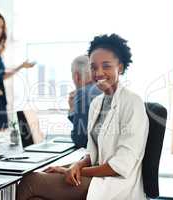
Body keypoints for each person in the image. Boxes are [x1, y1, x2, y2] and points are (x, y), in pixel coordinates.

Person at [16, 34, 149, 200]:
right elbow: (93, 152)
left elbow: (121, 165)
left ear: (120, 67)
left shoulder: (132, 102)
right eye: (93, 67)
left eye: (106, 66)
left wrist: (73, 170)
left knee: (31, 182)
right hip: (96, 178)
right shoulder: (97, 103)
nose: (98, 72)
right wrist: (77, 164)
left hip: (116, 186)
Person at [68, 55, 101, 148]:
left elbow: (80, 140)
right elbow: (86, 126)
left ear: (76, 76)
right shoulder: (103, 88)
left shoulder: (83, 93)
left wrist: (72, 111)